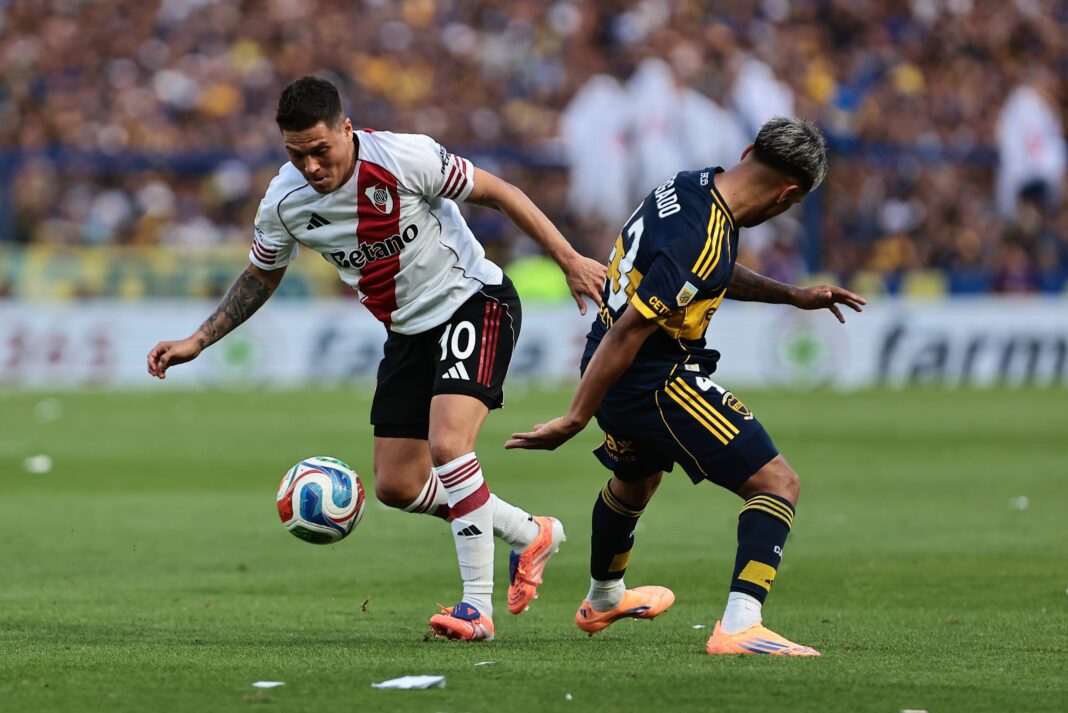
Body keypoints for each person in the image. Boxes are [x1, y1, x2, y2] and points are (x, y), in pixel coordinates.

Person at [147, 76, 605, 642]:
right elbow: (262, 273)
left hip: (473, 301)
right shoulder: (284, 202)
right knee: (398, 484)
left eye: (321, 150)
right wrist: (199, 338)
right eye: (297, 154)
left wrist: (568, 258)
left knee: (448, 445)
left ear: (346, 129)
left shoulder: (404, 156)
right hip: (407, 333)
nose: (311, 166)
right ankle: (530, 532)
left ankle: (476, 608)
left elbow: (500, 192)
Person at [506, 117, 865, 656]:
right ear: (790, 195)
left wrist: (793, 296)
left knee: (635, 482)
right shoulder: (708, 235)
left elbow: (709, 272)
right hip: (653, 376)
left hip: (608, 359)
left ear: (748, 151)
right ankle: (741, 625)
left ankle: (604, 598)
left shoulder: (687, 185)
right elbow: (636, 327)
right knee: (777, 483)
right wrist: (575, 418)